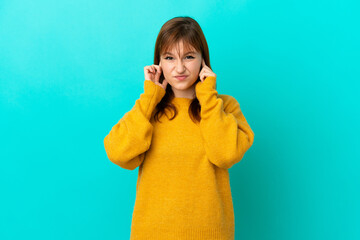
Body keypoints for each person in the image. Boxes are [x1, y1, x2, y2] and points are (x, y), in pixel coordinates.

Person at [104, 16, 255, 240]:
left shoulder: (224, 107)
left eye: (189, 57)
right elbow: (118, 153)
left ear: (203, 60)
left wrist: (208, 97)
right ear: (159, 63)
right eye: (169, 58)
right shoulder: (149, 109)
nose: (179, 68)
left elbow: (225, 155)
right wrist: (149, 98)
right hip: (152, 234)